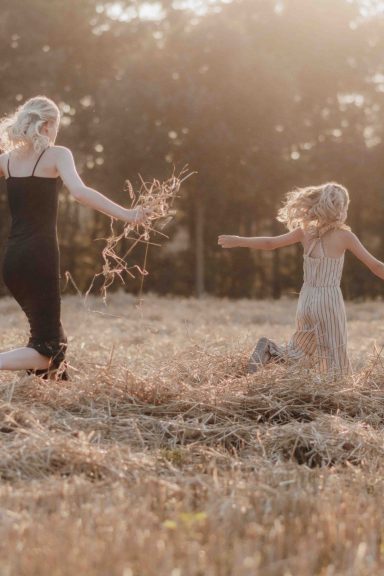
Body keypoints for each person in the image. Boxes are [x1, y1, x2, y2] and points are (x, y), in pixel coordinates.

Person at [0, 95, 148, 380]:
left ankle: (55, 401)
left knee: (55, 343)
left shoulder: (7, 160)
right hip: (39, 258)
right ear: (48, 125)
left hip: (12, 262)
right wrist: (128, 214)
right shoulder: (57, 154)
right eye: (57, 126)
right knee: (48, 350)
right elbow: (79, 193)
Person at [218, 182, 384, 376]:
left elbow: (270, 243)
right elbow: (376, 266)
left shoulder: (304, 232)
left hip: (306, 299)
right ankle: (334, 395)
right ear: (341, 209)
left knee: (301, 350)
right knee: (334, 352)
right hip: (328, 300)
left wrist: (240, 240)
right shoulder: (344, 236)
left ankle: (270, 350)